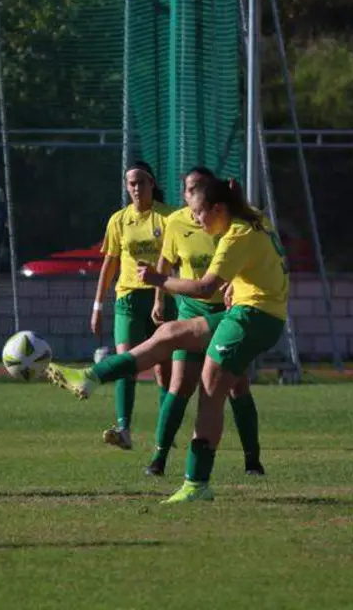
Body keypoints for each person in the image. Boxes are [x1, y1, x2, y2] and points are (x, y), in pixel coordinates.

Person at [49, 176, 288, 503]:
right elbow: (253, 251)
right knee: (169, 332)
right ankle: (90, 376)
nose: (198, 222)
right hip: (252, 313)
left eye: (200, 214)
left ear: (219, 208)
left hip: (254, 318)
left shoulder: (236, 235)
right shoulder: (254, 216)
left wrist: (161, 279)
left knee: (209, 386)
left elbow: (206, 288)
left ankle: (196, 483)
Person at [147, 166, 264, 477]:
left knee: (236, 385)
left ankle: (252, 460)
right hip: (190, 310)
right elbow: (166, 261)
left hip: (227, 313)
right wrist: (159, 298)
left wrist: (236, 286)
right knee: (181, 383)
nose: (193, 192)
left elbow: (241, 260)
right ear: (185, 194)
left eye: (200, 186)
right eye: (189, 188)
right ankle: (159, 458)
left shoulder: (227, 222)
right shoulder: (175, 222)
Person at [89, 161, 177, 450]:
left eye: (141, 182)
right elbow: (109, 264)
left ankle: (167, 432)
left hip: (163, 298)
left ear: (152, 184)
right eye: (131, 183)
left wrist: (164, 294)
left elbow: (178, 260)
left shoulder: (169, 217)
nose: (136, 188)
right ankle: (123, 429)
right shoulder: (118, 220)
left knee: (164, 369)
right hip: (127, 298)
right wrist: (98, 305)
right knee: (126, 362)